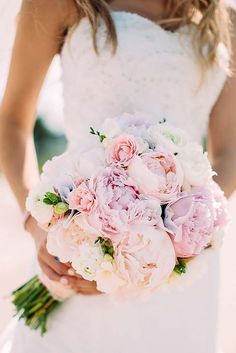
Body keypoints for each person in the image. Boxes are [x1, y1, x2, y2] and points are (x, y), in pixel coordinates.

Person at [0, 1, 236, 352]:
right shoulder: (60, 3)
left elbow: (228, 153)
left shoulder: (224, 20)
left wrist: (170, 244)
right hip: (79, 250)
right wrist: (38, 225)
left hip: (179, 272)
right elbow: (13, 122)